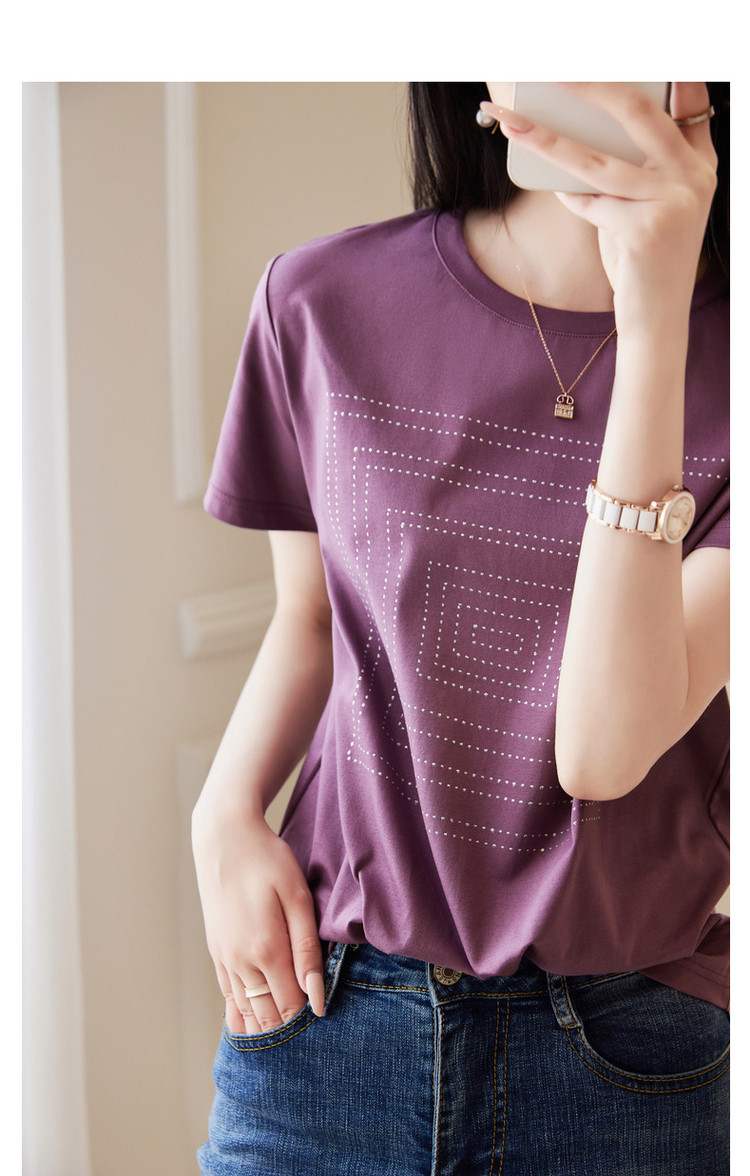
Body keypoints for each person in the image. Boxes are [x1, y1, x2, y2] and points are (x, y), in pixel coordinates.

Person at [193, 82, 729, 1175]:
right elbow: (311, 617)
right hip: (329, 1021)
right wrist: (224, 813)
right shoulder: (320, 300)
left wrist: (654, 319)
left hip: (626, 1055)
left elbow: (603, 749)